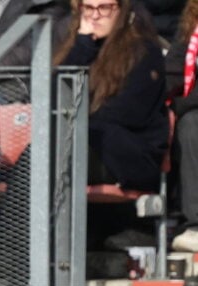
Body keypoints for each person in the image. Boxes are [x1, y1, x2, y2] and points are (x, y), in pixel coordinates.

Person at [54, 0, 168, 252]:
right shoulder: (81, 48)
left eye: (104, 7)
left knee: (48, 156)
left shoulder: (144, 52)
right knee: (37, 154)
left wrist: (77, 122)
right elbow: (53, 97)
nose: (95, 16)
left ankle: (16, 256)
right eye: (88, 8)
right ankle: (18, 255)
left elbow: (128, 114)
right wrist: (82, 47)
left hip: (128, 155)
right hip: (87, 146)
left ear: (122, 9)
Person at [165, 0, 198, 251]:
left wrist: (181, 104)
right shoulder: (190, 29)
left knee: (189, 121)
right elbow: (173, 70)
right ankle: (193, 225)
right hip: (192, 108)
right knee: (186, 124)